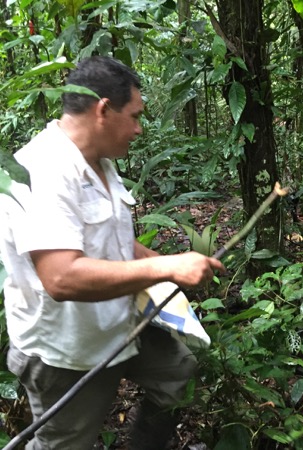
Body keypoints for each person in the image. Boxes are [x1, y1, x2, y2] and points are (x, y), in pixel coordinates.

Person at [0, 56, 226, 449]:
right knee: (64, 444)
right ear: (103, 109)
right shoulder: (43, 170)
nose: (139, 129)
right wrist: (168, 267)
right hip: (67, 350)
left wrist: (164, 264)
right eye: (135, 116)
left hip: (118, 324)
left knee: (177, 373)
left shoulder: (100, 160)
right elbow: (61, 277)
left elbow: (112, 240)